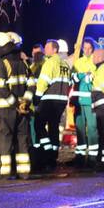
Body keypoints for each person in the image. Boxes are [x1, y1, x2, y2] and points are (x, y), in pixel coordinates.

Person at [0, 33, 35, 178]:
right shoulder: (23, 63)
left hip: (6, 109)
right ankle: (24, 172)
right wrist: (25, 103)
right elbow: (32, 85)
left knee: (4, 139)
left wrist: (15, 104)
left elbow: (0, 88)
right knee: (22, 139)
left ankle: (4, 173)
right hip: (22, 110)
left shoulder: (1, 64)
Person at [33, 39, 72, 172]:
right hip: (61, 101)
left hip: (49, 99)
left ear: (54, 49)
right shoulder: (65, 64)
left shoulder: (50, 62)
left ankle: (48, 150)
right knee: (54, 127)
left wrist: (37, 97)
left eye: (47, 47)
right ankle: (52, 157)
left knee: (38, 124)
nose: (45, 49)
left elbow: (43, 81)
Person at [70, 37, 98, 167]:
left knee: (92, 129)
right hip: (78, 101)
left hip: (91, 101)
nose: (87, 50)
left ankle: (92, 157)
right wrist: (82, 75)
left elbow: (96, 79)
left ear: (93, 49)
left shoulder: (95, 62)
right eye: (85, 48)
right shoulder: (78, 62)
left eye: (89, 48)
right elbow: (72, 78)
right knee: (80, 129)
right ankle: (80, 157)